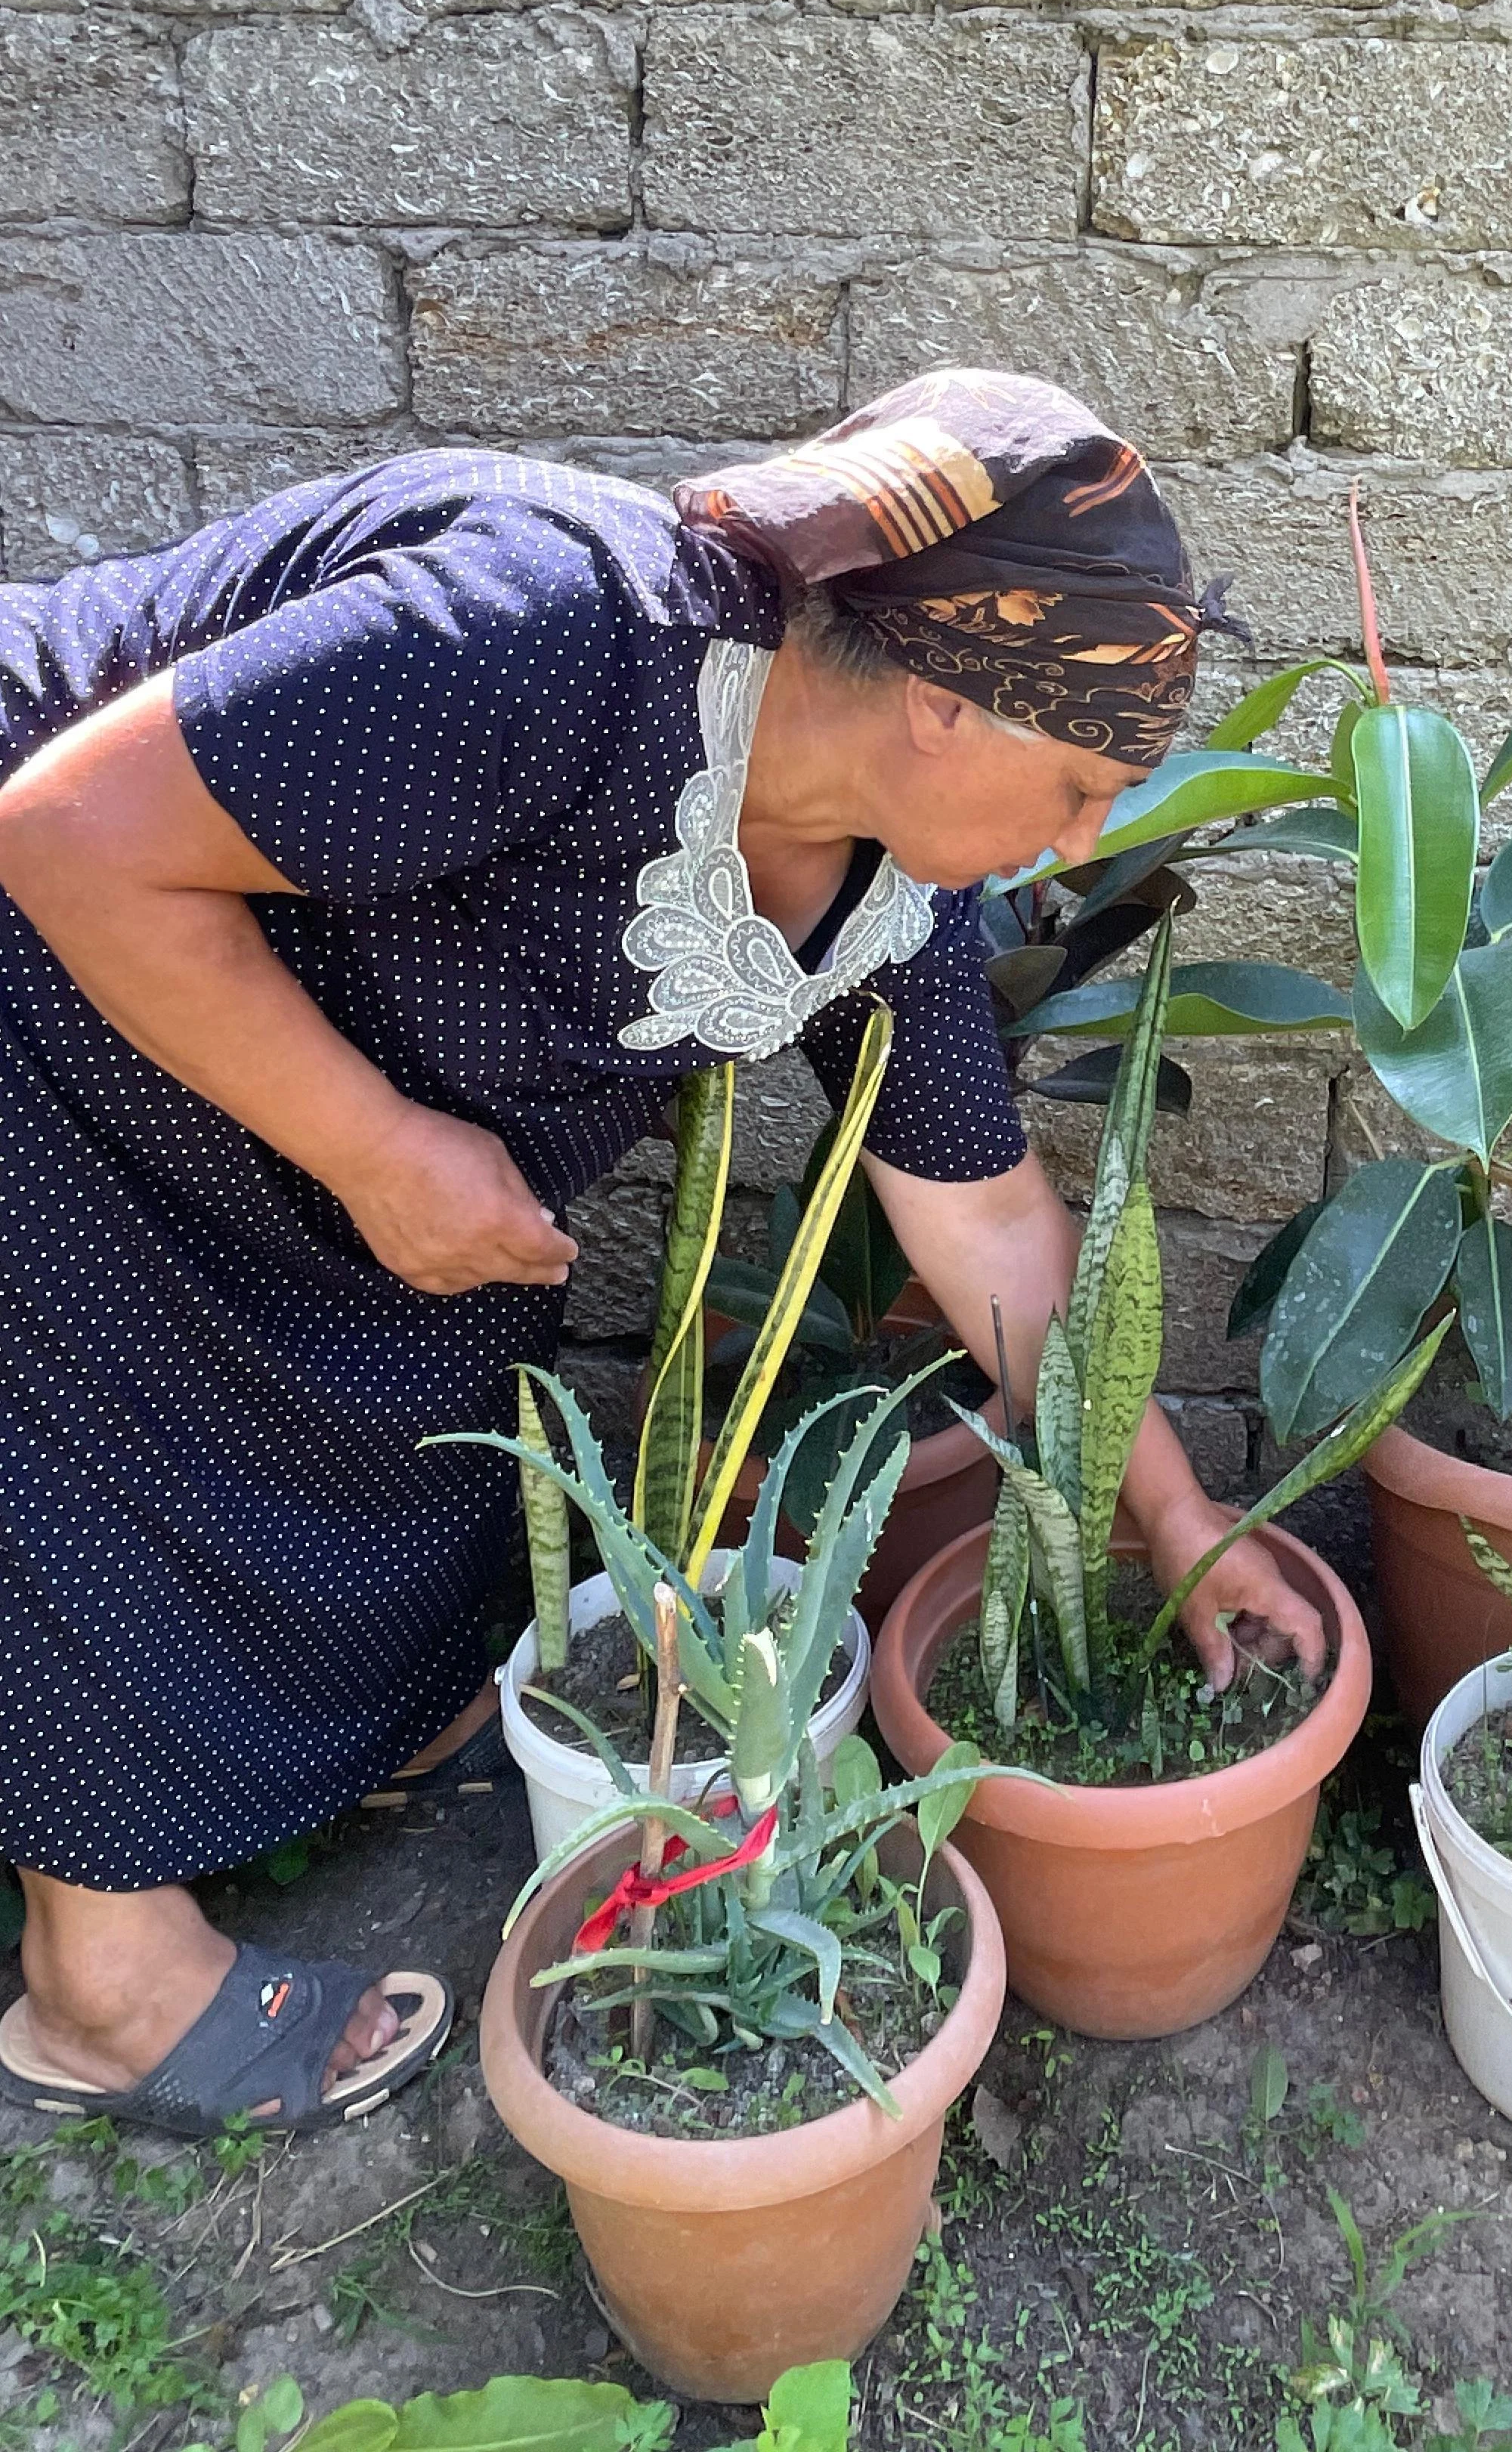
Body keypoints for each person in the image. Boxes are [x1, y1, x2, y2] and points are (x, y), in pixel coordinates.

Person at [0, 372, 1322, 2136]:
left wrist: (1169, 1510)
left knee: (405, 1377)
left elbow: (990, 1219)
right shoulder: (559, 633)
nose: (1082, 843)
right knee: (90, 1421)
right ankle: (105, 1984)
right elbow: (67, 832)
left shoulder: (895, 894)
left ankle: (356, 1741)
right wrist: (379, 1148)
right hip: (59, 982)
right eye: (1080, 781)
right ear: (944, 702)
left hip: (275, 1076)